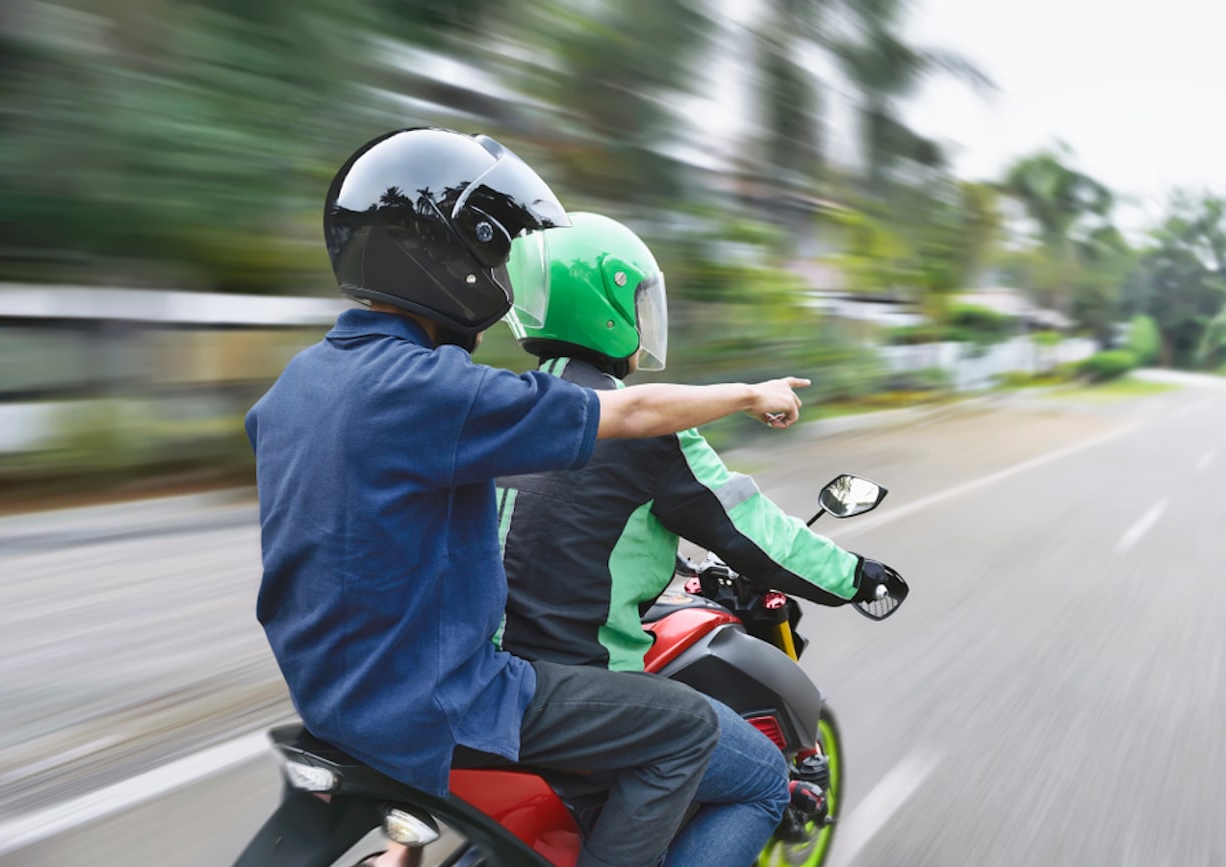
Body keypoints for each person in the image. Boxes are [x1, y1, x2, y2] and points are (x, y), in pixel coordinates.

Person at [244, 128, 812, 867]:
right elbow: (631, 414)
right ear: (445, 259)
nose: (499, 271)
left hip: (333, 694)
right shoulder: (431, 392)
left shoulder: (296, 385)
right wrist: (748, 393)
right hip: (451, 698)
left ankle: (402, 851)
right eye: (491, 251)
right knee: (691, 733)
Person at [492, 212, 904, 863]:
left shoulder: (497, 406)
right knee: (764, 781)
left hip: (479, 679)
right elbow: (752, 531)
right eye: (638, 301)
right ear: (608, 309)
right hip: (576, 689)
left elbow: (555, 531)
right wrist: (858, 575)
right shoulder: (645, 428)